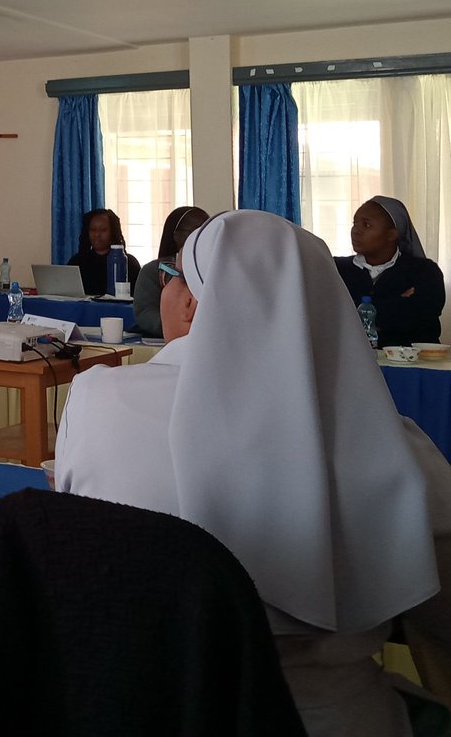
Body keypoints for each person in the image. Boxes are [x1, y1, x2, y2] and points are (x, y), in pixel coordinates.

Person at [57, 210, 451, 737]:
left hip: (151, 709)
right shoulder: (392, 446)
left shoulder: (97, 400)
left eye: (172, 277)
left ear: (195, 301)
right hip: (333, 717)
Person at [334, 196, 446, 344]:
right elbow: (328, 314)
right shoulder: (335, 268)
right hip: (352, 362)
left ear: (392, 234)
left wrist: (357, 310)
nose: (356, 231)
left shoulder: (424, 271)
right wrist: (397, 303)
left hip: (412, 364)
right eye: (355, 224)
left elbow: (421, 317)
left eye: (366, 225)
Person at [131, 205, 208, 336]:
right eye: (195, 232)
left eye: (207, 232)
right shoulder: (154, 271)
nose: (202, 237)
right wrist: (183, 328)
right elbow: (145, 312)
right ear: (177, 236)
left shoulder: (217, 268)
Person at [66, 207, 141, 295]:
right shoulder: (77, 262)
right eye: (93, 230)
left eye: (103, 230)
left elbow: (139, 298)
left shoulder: (129, 263)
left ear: (113, 232)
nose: (97, 234)